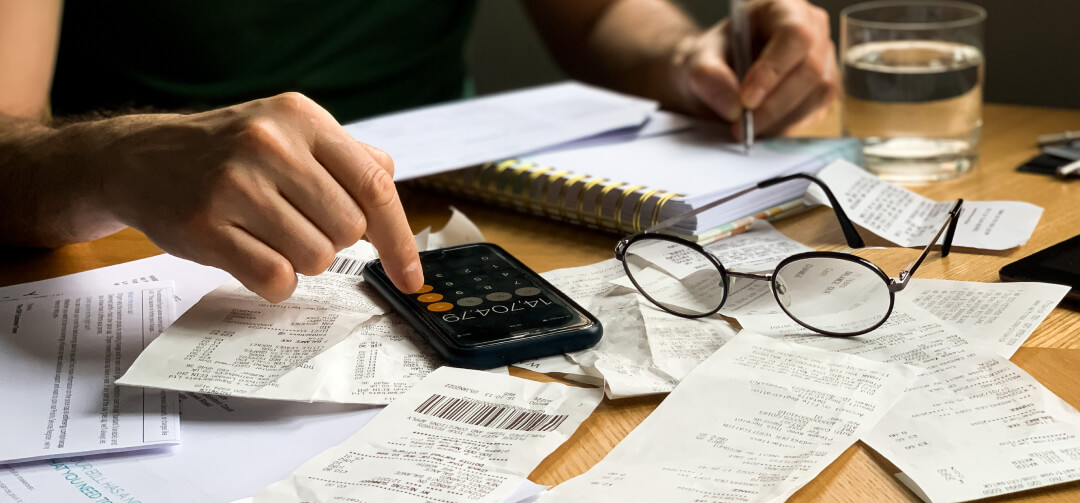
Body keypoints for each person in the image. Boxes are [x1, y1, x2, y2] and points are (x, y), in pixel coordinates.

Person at [0, 0, 837, 302]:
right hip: (144, 244)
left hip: (461, 213)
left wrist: (688, 59)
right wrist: (124, 156)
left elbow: (600, 16)